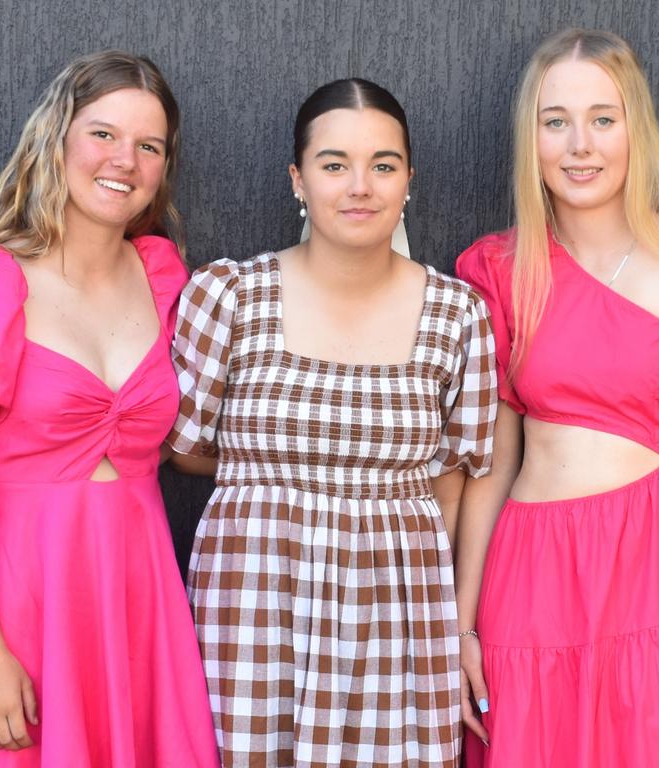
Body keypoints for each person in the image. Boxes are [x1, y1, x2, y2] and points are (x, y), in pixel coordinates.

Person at [0, 51, 219, 767]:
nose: (123, 160)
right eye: (102, 134)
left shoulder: (165, 280)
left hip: (140, 608)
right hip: (21, 606)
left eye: (148, 145)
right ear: (57, 139)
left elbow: (180, 444)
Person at [453, 29, 659, 767]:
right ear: (529, 139)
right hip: (530, 575)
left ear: (636, 128)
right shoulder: (496, 269)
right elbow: (489, 467)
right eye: (553, 121)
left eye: (602, 117)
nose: (578, 145)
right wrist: (459, 628)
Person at [168, 78, 497, 767]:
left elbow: (453, 484)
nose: (359, 186)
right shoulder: (228, 295)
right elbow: (188, 448)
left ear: (408, 180)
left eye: (382, 165)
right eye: (333, 164)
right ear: (297, 178)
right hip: (255, 603)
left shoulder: (458, 314)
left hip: (395, 609)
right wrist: (282, 487)